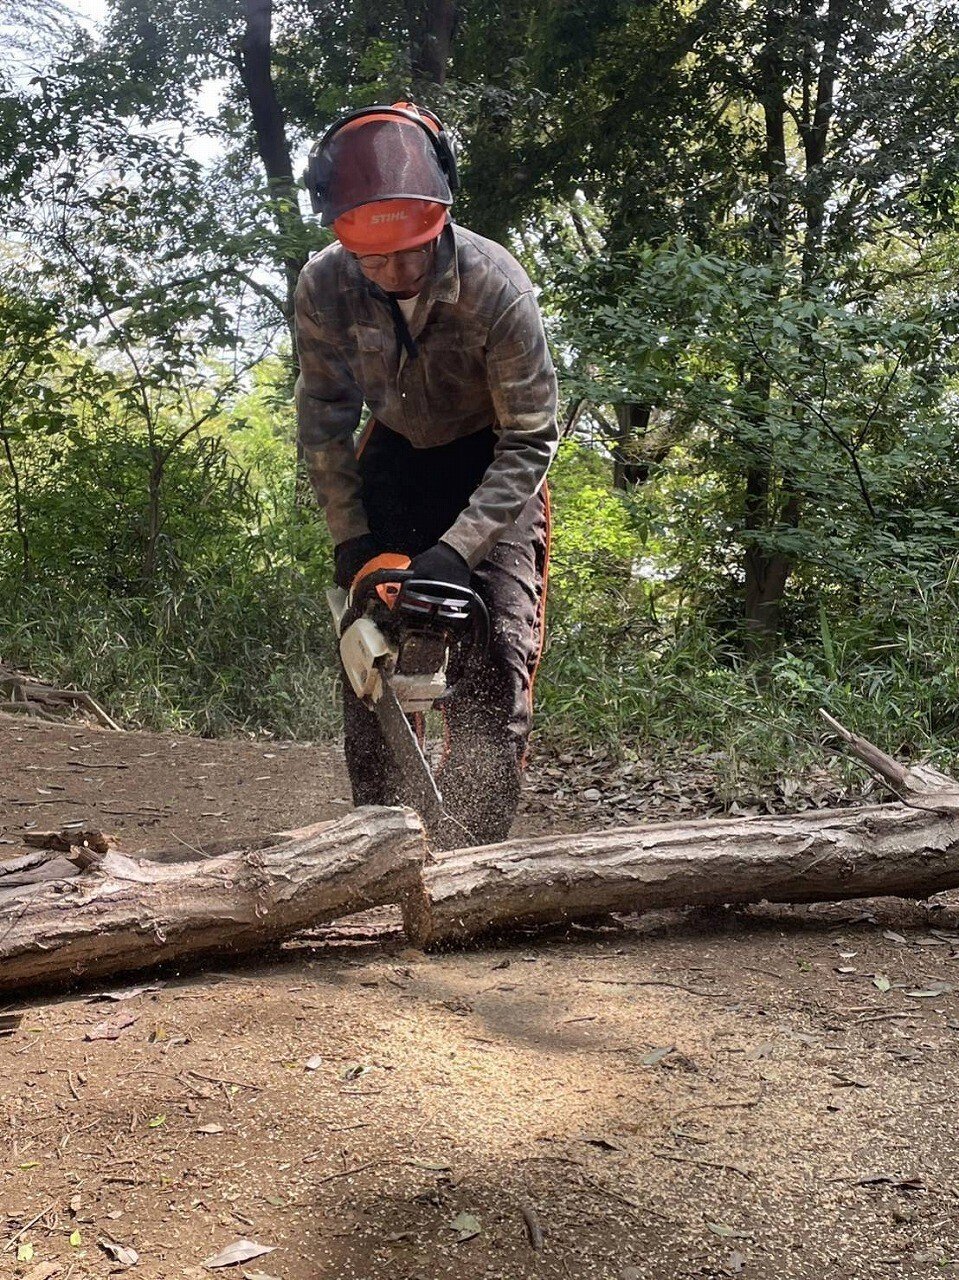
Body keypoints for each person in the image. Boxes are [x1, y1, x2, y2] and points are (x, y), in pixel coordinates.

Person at [295, 101, 558, 845]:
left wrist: (457, 550)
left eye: (411, 250)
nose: (397, 271)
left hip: (491, 460)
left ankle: (473, 850)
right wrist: (353, 541)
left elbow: (531, 437)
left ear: (440, 213)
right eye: (374, 258)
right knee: (370, 646)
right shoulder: (323, 287)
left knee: (498, 647)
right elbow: (322, 419)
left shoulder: (495, 284)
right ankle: (377, 840)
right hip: (392, 453)